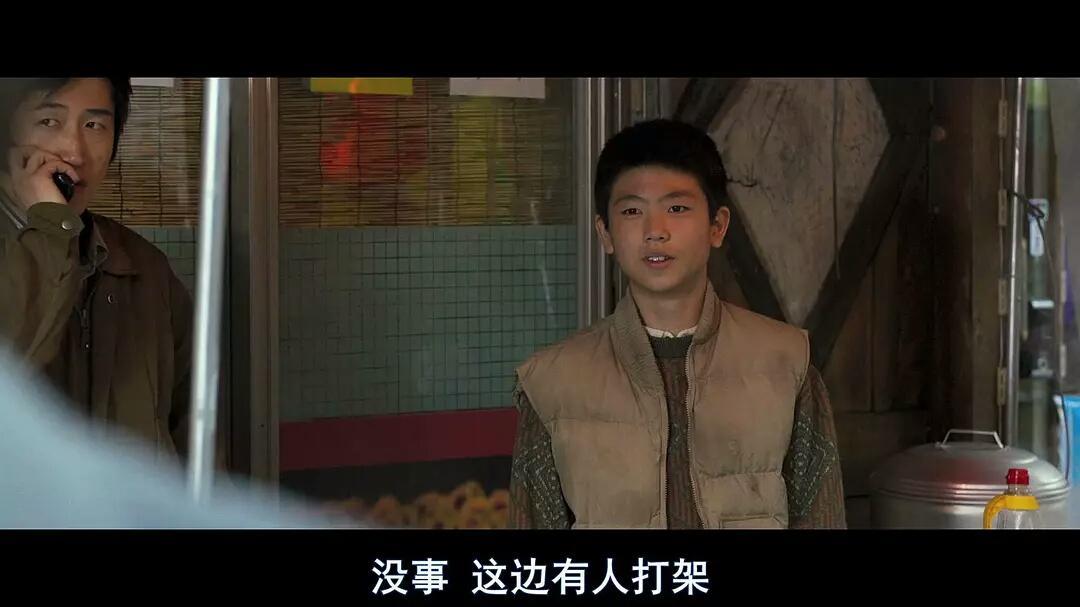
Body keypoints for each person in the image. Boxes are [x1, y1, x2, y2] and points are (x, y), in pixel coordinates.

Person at [508, 119, 846, 529]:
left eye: (677, 208)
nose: (655, 231)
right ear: (606, 233)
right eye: (632, 211)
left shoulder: (785, 364)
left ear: (717, 226)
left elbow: (822, 517)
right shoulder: (553, 383)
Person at [0, 78, 194, 459]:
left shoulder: (146, 269)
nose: (74, 151)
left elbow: (192, 429)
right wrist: (50, 228)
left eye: (94, 125)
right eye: (49, 122)